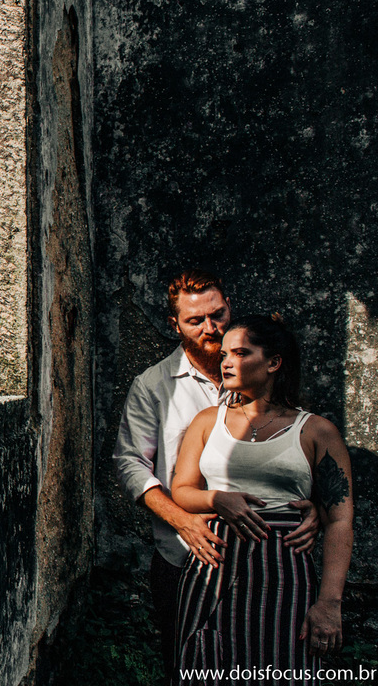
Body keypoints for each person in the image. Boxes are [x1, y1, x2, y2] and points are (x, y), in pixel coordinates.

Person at [113, 271, 319, 684]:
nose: (211, 328)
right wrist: (182, 520)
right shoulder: (153, 386)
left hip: (266, 560)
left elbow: (293, 448)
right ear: (175, 326)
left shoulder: (263, 373)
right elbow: (130, 462)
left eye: (218, 314)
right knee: (191, 668)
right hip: (184, 555)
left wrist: (313, 508)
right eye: (195, 321)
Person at [170, 314, 354, 681]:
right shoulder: (208, 421)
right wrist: (217, 500)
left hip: (283, 573)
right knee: (205, 664)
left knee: (282, 667)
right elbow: (182, 490)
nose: (226, 362)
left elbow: (340, 518)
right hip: (214, 567)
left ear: (273, 362)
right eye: (224, 353)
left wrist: (330, 602)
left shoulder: (316, 430)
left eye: (240, 353)